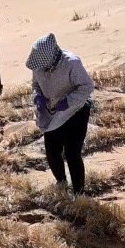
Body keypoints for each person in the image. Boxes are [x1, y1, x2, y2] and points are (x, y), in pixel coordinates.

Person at [26, 32, 94, 196]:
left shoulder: (71, 63)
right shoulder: (38, 64)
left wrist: (68, 101)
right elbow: (35, 85)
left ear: (51, 57)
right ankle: (61, 182)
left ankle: (78, 194)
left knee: (72, 152)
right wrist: (38, 97)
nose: (39, 68)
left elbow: (87, 86)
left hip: (76, 110)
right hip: (52, 111)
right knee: (52, 151)